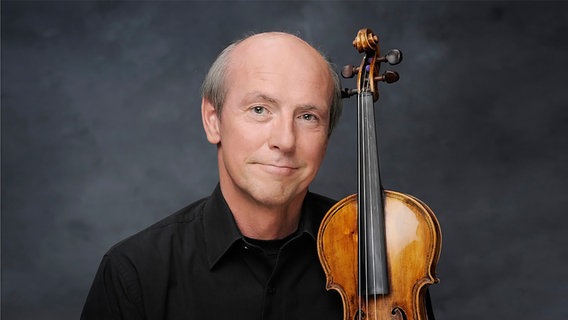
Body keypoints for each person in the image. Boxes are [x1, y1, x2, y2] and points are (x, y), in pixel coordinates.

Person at [81, 31, 435, 320]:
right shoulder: (136, 273)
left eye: (308, 116)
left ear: (327, 134)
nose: (284, 140)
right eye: (260, 109)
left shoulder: (387, 252)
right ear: (213, 119)